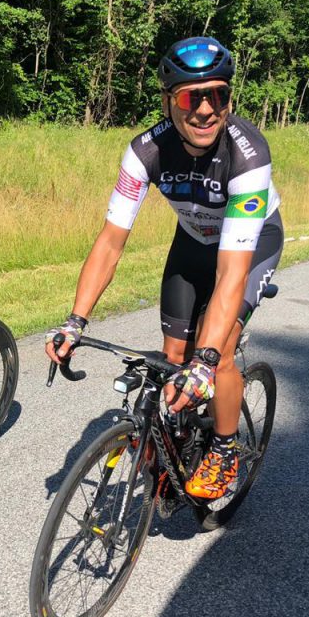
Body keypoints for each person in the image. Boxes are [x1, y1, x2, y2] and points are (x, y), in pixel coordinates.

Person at [45, 37, 283, 500]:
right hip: (194, 241)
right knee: (173, 357)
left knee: (221, 350)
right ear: (169, 102)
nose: (206, 109)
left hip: (251, 246)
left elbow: (232, 273)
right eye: (192, 97)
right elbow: (111, 242)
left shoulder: (248, 155)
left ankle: (225, 448)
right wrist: (76, 320)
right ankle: (179, 445)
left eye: (218, 95)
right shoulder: (145, 152)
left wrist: (207, 361)